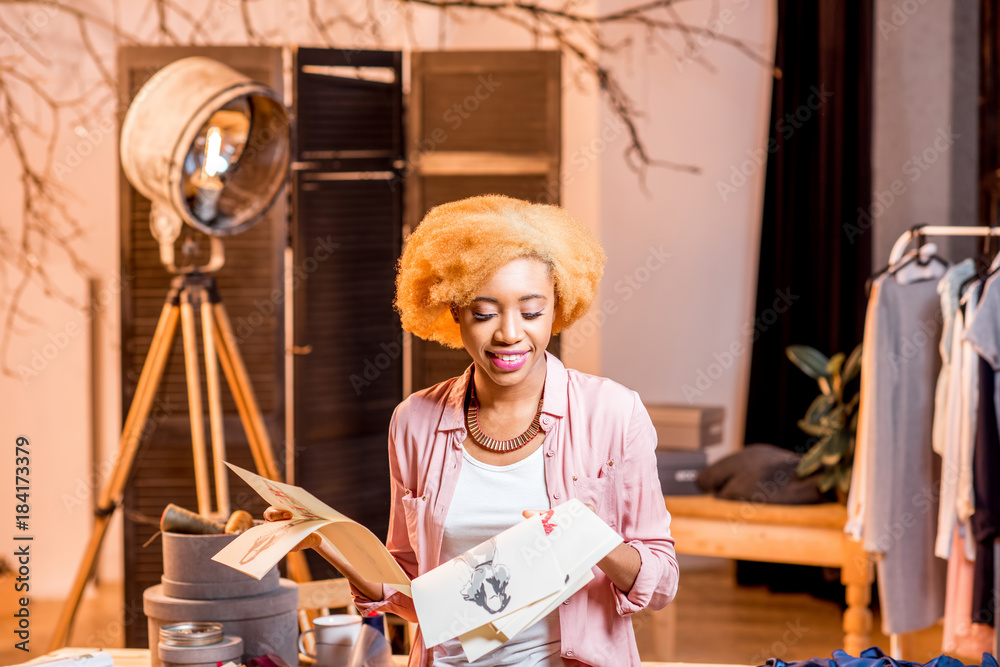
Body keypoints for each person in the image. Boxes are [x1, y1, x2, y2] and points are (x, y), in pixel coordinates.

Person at [266, 194, 679, 666]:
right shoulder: (414, 421)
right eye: (484, 313)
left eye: (531, 311)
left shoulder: (614, 413)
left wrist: (592, 539)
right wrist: (326, 543)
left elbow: (662, 582)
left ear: (557, 307)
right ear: (454, 312)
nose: (508, 333)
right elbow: (415, 595)